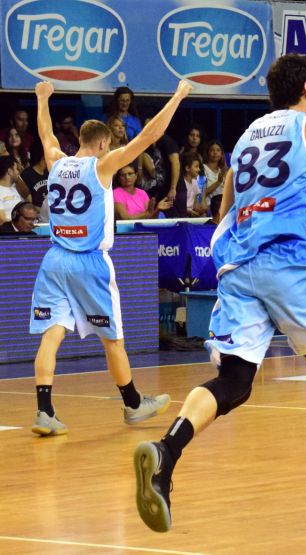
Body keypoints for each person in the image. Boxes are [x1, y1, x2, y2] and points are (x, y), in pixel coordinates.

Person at [133, 14, 306, 534]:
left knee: (234, 381)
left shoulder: (246, 139)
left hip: (239, 263)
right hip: (282, 263)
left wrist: (296, 233)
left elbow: (230, 207)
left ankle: (166, 452)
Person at [29, 80, 188, 437]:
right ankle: (133, 404)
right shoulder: (102, 167)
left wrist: (42, 99)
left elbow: (45, 133)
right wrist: (177, 96)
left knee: (51, 336)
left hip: (54, 260)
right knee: (112, 339)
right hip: (89, 262)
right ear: (102, 144)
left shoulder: (57, 161)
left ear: (80, 140)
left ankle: (44, 411)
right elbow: (149, 135)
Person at [201, 140, 228, 220]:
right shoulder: (202, 168)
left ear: (221, 153)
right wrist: (218, 182)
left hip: (223, 210)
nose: (215, 153)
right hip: (208, 210)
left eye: (218, 150)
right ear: (207, 153)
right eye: (212, 150)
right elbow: (201, 194)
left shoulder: (223, 170)